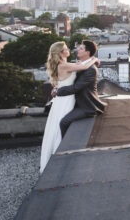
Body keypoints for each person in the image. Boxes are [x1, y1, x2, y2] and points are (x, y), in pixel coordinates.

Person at [40, 41, 100, 173]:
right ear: (61, 53)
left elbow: (80, 65)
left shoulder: (66, 64)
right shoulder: (64, 65)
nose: (71, 50)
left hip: (67, 98)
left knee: (57, 124)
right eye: (66, 49)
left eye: (80, 48)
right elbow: (83, 67)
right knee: (59, 124)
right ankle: (58, 151)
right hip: (65, 100)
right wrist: (94, 59)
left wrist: (57, 88)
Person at [55, 40, 106, 137]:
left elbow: (76, 87)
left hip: (86, 106)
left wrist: (59, 91)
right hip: (74, 102)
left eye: (81, 48)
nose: (77, 49)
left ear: (87, 52)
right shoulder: (79, 64)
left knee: (64, 122)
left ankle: (65, 148)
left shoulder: (91, 69)